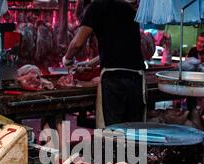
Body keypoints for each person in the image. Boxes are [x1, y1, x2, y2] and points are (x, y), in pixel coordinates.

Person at [62, 0, 147, 128]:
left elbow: (77, 43)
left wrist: (67, 59)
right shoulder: (128, 9)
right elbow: (120, 48)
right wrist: (91, 63)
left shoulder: (97, 6)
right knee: (134, 133)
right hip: (137, 79)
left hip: (114, 80)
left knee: (112, 133)